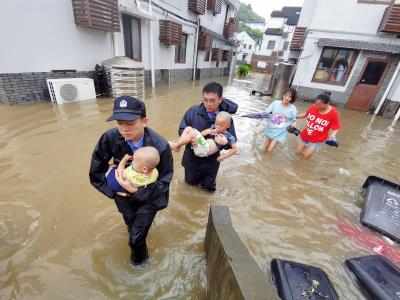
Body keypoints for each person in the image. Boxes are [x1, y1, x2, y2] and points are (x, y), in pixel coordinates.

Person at [89, 96, 173, 266]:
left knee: (135, 239)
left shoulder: (160, 145)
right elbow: (95, 171)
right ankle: (137, 230)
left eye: (130, 123)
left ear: (144, 121)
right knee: (130, 224)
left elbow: (165, 180)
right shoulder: (110, 138)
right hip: (122, 196)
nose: (124, 129)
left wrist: (137, 191)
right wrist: (112, 191)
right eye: (120, 123)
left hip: (149, 197)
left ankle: (140, 265)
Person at [178, 82, 238, 192]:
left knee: (208, 191)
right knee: (189, 188)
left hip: (211, 163)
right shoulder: (192, 112)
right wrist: (192, 140)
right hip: (192, 160)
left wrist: (220, 144)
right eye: (205, 100)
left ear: (220, 99)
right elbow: (181, 130)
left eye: (212, 100)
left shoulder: (226, 118)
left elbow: (231, 141)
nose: (208, 104)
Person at [170, 111, 238, 161]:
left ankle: (176, 146)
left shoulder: (229, 136)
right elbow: (201, 134)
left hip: (205, 150)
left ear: (228, 126)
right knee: (189, 128)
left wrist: (223, 157)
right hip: (201, 146)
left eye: (221, 125)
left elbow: (235, 150)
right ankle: (178, 146)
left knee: (193, 133)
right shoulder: (213, 128)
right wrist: (208, 132)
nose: (218, 127)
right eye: (217, 124)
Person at [297, 93, 341, 159]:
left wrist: (332, 136)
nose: (316, 106)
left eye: (319, 105)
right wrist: (294, 116)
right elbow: (306, 114)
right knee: (298, 152)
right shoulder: (313, 107)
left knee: (306, 156)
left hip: (317, 140)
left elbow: (336, 127)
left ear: (327, 104)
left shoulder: (333, 113)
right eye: (316, 103)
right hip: (306, 135)